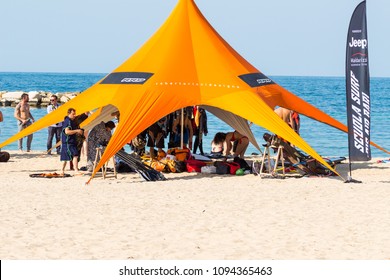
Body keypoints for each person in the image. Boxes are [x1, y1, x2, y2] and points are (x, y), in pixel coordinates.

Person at [60, 108, 84, 174]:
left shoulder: (71, 121)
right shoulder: (68, 121)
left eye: (75, 114)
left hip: (70, 141)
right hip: (68, 141)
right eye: (73, 114)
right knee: (71, 156)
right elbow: (67, 132)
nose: (74, 115)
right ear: (69, 113)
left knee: (71, 156)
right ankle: (71, 170)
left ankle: (66, 170)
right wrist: (77, 131)